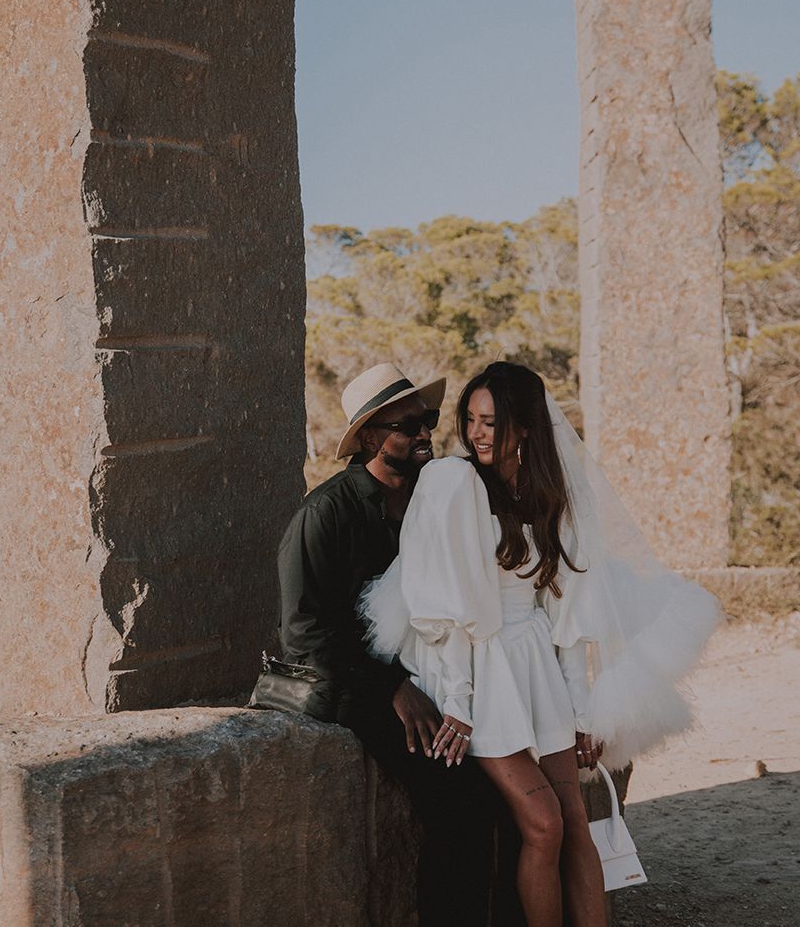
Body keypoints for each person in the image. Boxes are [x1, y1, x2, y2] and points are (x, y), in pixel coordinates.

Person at [359, 361, 725, 927]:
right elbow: (449, 607)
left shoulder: (551, 496)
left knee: (576, 818)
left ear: (525, 428)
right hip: (481, 667)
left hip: (535, 660)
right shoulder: (452, 483)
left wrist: (583, 711)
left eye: (492, 422)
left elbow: (570, 616)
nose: (477, 433)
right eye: (472, 420)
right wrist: (458, 698)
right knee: (544, 823)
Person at [276, 361, 521, 926]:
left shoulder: (435, 493)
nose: (423, 434)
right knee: (459, 804)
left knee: (513, 795)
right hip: (364, 687)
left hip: (445, 673)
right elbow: (302, 630)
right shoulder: (324, 514)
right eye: (407, 425)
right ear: (368, 436)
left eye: (428, 421)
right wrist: (392, 689)